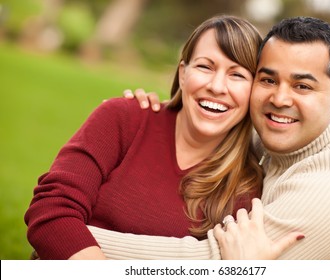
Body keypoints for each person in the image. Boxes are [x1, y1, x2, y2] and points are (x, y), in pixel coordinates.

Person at [24, 15, 303, 260]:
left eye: (237, 75)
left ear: (254, 90)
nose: (217, 86)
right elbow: (52, 209)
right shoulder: (124, 118)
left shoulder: (245, 188)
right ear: (183, 74)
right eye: (205, 67)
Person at [113, 16, 330, 259]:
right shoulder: (290, 132)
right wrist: (156, 115)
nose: (280, 99)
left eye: (302, 86)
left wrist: (76, 237)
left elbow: (209, 262)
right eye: (268, 80)